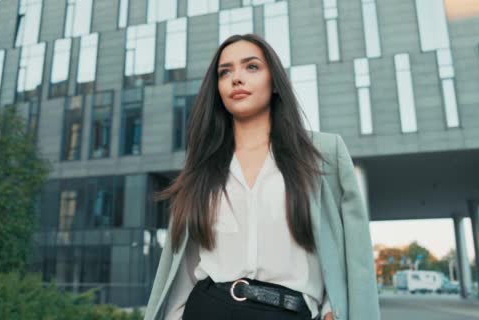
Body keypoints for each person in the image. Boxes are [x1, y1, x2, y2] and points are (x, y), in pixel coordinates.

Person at [144, 34, 380, 320]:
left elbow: (352, 253)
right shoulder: (203, 166)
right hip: (207, 307)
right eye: (225, 72)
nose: (236, 78)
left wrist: (332, 309)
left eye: (251, 67)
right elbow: (185, 266)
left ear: (275, 83)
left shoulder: (324, 153)